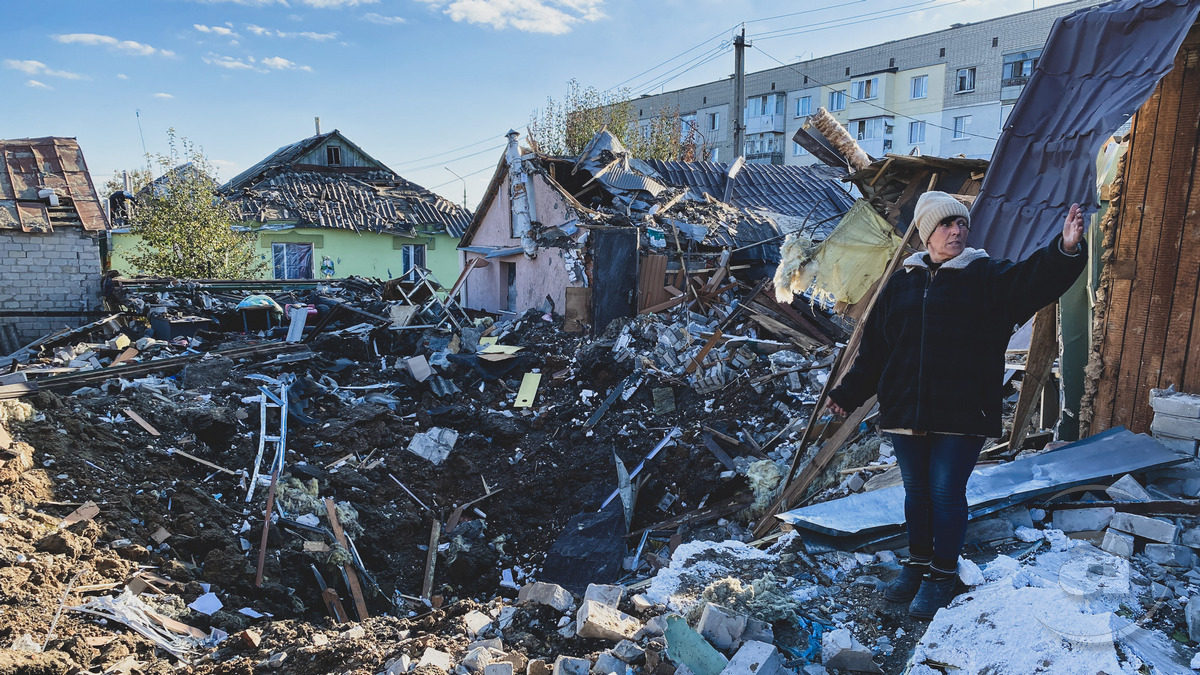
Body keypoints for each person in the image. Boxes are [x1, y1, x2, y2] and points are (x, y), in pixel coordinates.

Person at [825, 191, 1086, 620]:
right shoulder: (902, 282)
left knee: (946, 493)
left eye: (962, 224)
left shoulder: (987, 276)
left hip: (961, 409)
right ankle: (917, 566)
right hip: (907, 409)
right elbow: (875, 348)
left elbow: (1033, 280)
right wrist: (847, 393)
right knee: (916, 493)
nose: (957, 231)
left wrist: (1065, 249)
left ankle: (941, 576)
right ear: (928, 234)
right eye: (947, 225)